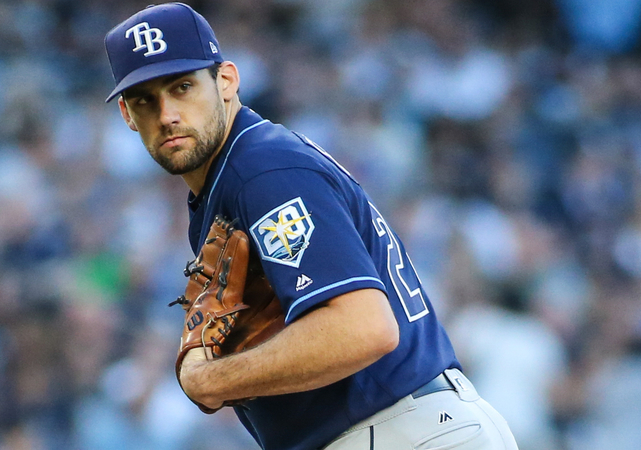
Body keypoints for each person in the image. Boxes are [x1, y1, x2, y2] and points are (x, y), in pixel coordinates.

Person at [103, 3, 518, 449]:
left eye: (182, 87)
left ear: (226, 80)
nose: (167, 114)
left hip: (403, 429)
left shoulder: (260, 170)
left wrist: (213, 379)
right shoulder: (236, 176)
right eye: (146, 100)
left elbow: (364, 329)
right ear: (128, 115)